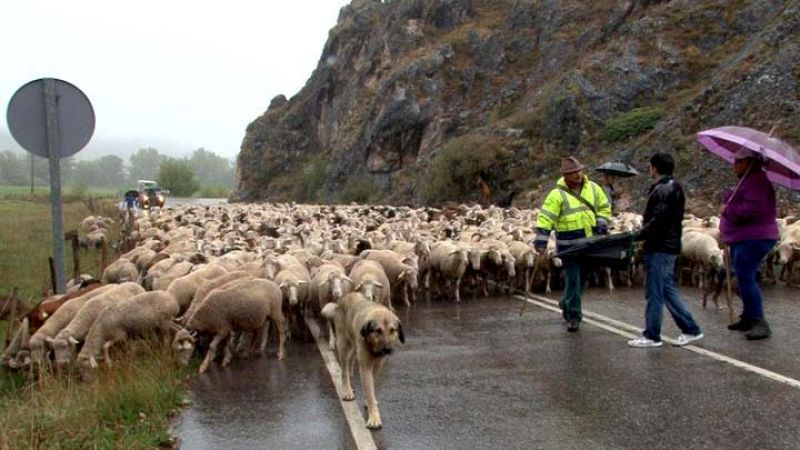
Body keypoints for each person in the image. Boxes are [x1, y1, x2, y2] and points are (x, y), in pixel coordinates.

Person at [628, 153, 703, 348]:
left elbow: (657, 221)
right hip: (668, 245)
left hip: (660, 246)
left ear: (654, 168)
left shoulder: (663, 190)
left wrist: (637, 235)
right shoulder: (672, 187)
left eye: (650, 166)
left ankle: (652, 335)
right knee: (667, 288)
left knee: (655, 291)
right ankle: (690, 329)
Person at [533, 156, 611, 332]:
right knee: (574, 279)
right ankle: (574, 316)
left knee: (582, 279)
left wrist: (601, 220)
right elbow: (546, 217)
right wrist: (542, 238)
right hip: (569, 245)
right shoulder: (557, 194)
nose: (577, 175)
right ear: (565, 176)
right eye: (572, 173)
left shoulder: (593, 188)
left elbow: (605, 207)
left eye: (578, 171)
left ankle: (566, 302)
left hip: (590, 243)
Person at [720, 148, 779, 340]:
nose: (734, 165)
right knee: (743, 275)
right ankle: (748, 316)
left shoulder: (757, 182)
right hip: (743, 236)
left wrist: (728, 209)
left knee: (746, 276)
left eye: (739, 161)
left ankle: (760, 321)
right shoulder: (750, 181)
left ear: (750, 163)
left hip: (753, 237)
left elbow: (752, 210)